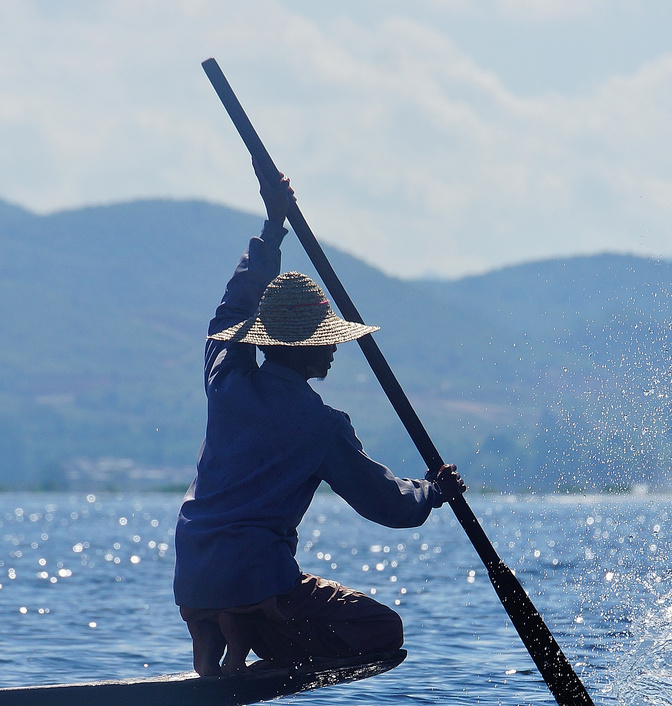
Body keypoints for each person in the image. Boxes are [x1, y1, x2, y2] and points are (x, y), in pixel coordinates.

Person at [173, 163, 464, 676]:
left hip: (193, 571)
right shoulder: (321, 425)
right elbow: (386, 503)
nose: (333, 348)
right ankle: (246, 629)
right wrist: (433, 491)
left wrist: (272, 226)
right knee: (382, 633)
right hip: (257, 580)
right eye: (326, 339)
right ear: (304, 349)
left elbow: (230, 307)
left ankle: (219, 632)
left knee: (233, 589)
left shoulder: (227, 379)